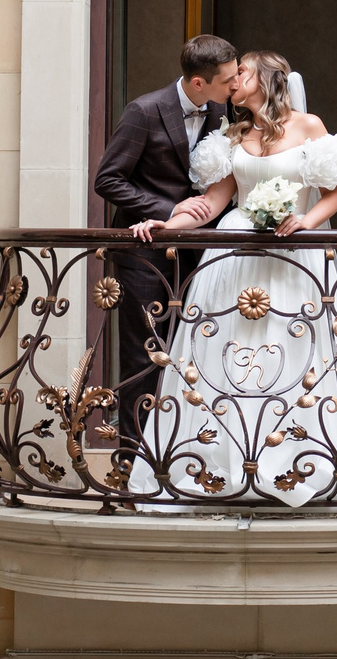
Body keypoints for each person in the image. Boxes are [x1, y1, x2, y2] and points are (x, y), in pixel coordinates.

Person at [123, 49, 337, 506]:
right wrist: (166, 224)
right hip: (233, 256)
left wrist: (307, 221)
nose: (233, 79)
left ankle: (297, 461)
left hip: (293, 252)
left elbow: (335, 193)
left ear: (268, 79)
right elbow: (212, 204)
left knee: (293, 348)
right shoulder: (232, 135)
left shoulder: (308, 126)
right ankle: (220, 464)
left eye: (242, 72)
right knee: (225, 352)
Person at [92, 34, 241, 450]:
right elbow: (108, 180)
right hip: (146, 253)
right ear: (198, 82)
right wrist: (170, 209)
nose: (235, 85)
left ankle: (184, 451)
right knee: (143, 354)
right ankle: (133, 457)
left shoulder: (222, 110)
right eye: (227, 79)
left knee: (196, 351)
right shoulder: (144, 111)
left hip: (200, 254)